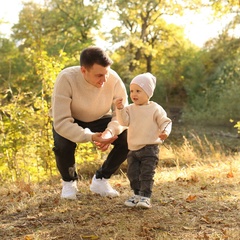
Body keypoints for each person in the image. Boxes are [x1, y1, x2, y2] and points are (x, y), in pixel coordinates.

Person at [49, 46, 129, 200]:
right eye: (99, 75)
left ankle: (101, 180)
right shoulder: (66, 78)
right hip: (71, 119)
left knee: (129, 137)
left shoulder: (113, 79)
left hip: (100, 117)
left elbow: (122, 115)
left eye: (106, 73)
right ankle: (69, 182)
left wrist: (110, 132)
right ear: (83, 70)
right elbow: (61, 121)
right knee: (63, 145)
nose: (104, 79)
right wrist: (91, 136)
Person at [115, 73, 172, 209]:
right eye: (132, 91)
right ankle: (137, 195)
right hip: (133, 148)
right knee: (132, 173)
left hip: (149, 147)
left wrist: (165, 132)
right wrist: (120, 109)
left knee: (147, 173)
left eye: (138, 91)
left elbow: (166, 122)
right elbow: (123, 122)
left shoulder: (155, 108)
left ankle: (145, 197)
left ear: (148, 92)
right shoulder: (129, 109)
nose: (134, 94)